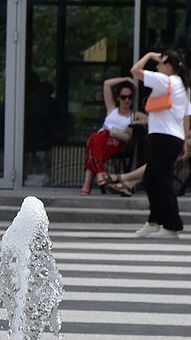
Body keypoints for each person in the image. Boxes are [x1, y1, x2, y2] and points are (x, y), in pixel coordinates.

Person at [130, 50, 190, 237]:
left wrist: (148, 55)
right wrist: (184, 140)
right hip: (168, 137)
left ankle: (172, 226)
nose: (157, 66)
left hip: (165, 137)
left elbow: (135, 70)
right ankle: (154, 220)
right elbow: (186, 116)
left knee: (163, 180)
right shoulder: (180, 84)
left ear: (169, 66)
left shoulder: (168, 81)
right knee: (151, 177)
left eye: (160, 63)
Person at [80, 77, 138, 194]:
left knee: (94, 142)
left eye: (129, 97)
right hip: (101, 139)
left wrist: (135, 124)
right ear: (118, 98)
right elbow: (107, 84)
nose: (126, 100)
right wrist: (126, 79)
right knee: (97, 139)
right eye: (123, 97)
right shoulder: (112, 109)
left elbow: (149, 120)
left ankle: (88, 184)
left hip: (115, 142)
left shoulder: (134, 115)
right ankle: (100, 173)